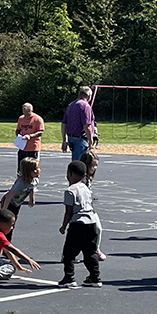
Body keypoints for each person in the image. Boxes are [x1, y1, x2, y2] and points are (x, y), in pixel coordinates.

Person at [58, 160, 101, 288]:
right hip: (91, 222)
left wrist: (64, 226)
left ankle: (69, 277)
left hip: (78, 224)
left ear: (71, 174)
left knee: (69, 253)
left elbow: (68, 212)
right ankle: (95, 276)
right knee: (90, 252)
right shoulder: (86, 188)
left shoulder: (70, 191)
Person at [0, 157, 40, 241]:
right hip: (9, 203)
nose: (39, 170)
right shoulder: (21, 183)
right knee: (7, 223)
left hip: (16, 204)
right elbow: (9, 195)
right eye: (36, 169)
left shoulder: (35, 180)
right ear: (28, 172)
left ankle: (6, 244)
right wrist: (4, 210)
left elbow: (31, 188)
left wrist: (31, 199)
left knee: (12, 223)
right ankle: (4, 243)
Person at [79, 150, 106, 261]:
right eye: (93, 165)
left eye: (96, 166)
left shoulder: (88, 178)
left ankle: (96, 249)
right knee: (78, 233)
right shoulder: (81, 179)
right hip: (80, 210)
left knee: (98, 229)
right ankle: (68, 254)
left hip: (90, 209)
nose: (95, 168)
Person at [61, 86, 95, 161]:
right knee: (81, 164)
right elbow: (86, 125)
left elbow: (64, 124)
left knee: (76, 162)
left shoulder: (71, 105)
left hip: (71, 138)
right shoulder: (85, 106)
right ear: (89, 96)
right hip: (80, 139)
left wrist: (64, 140)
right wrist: (91, 140)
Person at [15, 103, 44, 171]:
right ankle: (21, 180)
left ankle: (33, 181)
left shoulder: (38, 119)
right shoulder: (21, 118)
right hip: (23, 148)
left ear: (32, 111)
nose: (26, 116)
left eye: (28, 114)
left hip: (33, 148)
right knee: (21, 168)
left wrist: (30, 136)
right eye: (25, 114)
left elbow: (40, 132)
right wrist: (19, 137)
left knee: (33, 168)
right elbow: (18, 130)